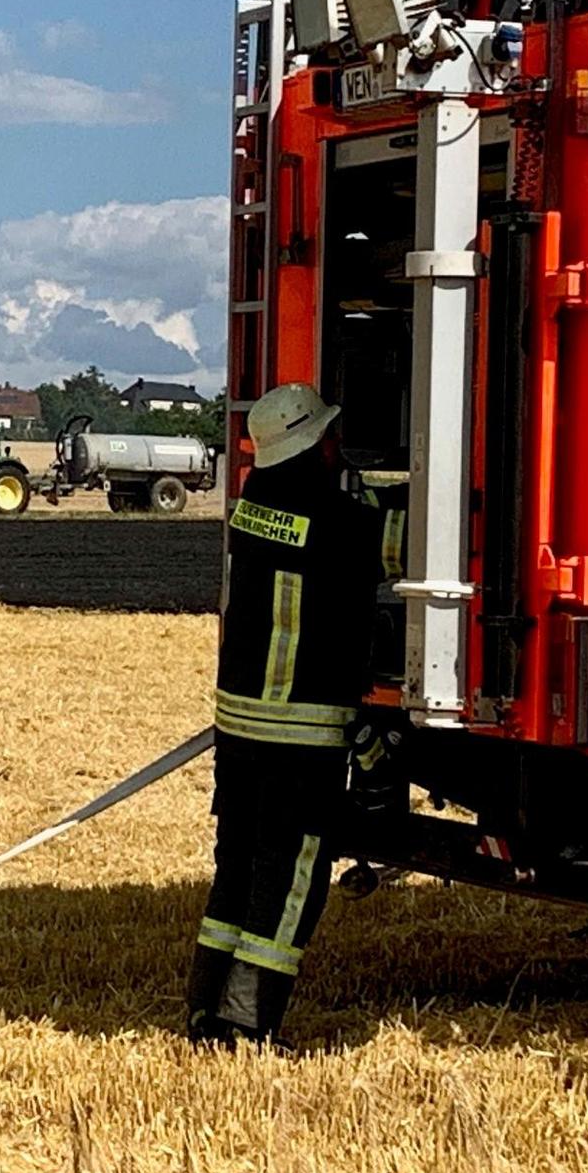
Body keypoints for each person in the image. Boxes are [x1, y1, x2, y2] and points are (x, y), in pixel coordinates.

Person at [186, 383, 381, 1048]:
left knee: (236, 869)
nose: (337, 443)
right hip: (301, 737)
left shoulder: (252, 508)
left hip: (240, 732)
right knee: (290, 880)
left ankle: (204, 1007)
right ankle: (247, 1023)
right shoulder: (341, 520)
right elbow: (389, 546)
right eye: (330, 435)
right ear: (316, 443)